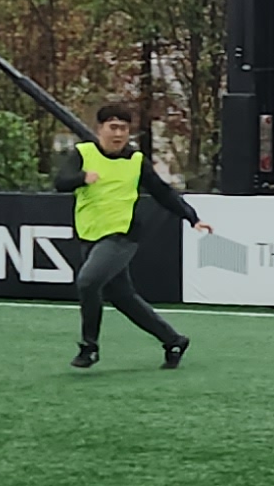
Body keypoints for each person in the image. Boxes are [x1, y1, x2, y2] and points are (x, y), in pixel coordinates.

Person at [51, 100, 199, 370]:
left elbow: (162, 192)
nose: (118, 134)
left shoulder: (136, 160)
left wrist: (191, 217)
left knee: (87, 282)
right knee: (122, 297)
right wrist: (82, 178)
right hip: (90, 235)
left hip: (122, 235)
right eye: (113, 127)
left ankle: (89, 347)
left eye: (124, 128)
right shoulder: (83, 153)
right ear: (100, 129)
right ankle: (174, 340)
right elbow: (60, 182)